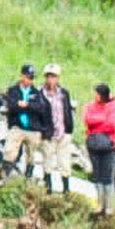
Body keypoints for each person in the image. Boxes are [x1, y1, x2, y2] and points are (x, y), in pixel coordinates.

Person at [35, 63, 76, 194]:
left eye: (53, 77)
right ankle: (48, 188)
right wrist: (41, 130)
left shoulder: (64, 93)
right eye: (48, 76)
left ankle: (66, 190)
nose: (51, 80)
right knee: (47, 161)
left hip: (63, 133)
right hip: (48, 134)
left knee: (64, 162)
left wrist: (69, 128)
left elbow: (67, 110)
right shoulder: (40, 94)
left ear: (58, 78)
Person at [0, 65, 46, 181]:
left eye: (31, 78)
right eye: (27, 77)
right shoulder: (13, 90)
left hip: (33, 128)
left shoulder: (36, 92)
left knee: (31, 155)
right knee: (9, 151)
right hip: (17, 126)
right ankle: (5, 175)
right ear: (21, 76)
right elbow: (11, 105)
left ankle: (28, 177)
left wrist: (26, 105)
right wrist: (20, 105)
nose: (29, 80)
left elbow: (40, 108)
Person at [82, 83, 115, 216]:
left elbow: (112, 125)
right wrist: (101, 120)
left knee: (107, 176)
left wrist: (96, 126)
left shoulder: (113, 107)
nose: (95, 96)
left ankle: (109, 206)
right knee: (97, 175)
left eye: (97, 93)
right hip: (93, 146)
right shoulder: (90, 106)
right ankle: (100, 205)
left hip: (108, 146)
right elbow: (87, 120)